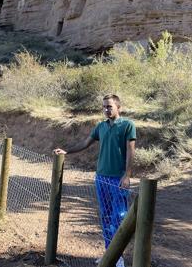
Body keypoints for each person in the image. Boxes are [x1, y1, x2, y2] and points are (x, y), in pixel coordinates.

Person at [53, 94, 136, 267]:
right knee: (105, 216)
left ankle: (118, 257)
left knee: (119, 217)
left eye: (110, 106)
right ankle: (109, 254)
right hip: (101, 177)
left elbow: (130, 151)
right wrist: (67, 151)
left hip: (118, 179)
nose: (106, 109)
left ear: (118, 108)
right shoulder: (100, 127)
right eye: (104, 106)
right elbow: (85, 143)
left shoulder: (128, 125)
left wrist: (127, 175)